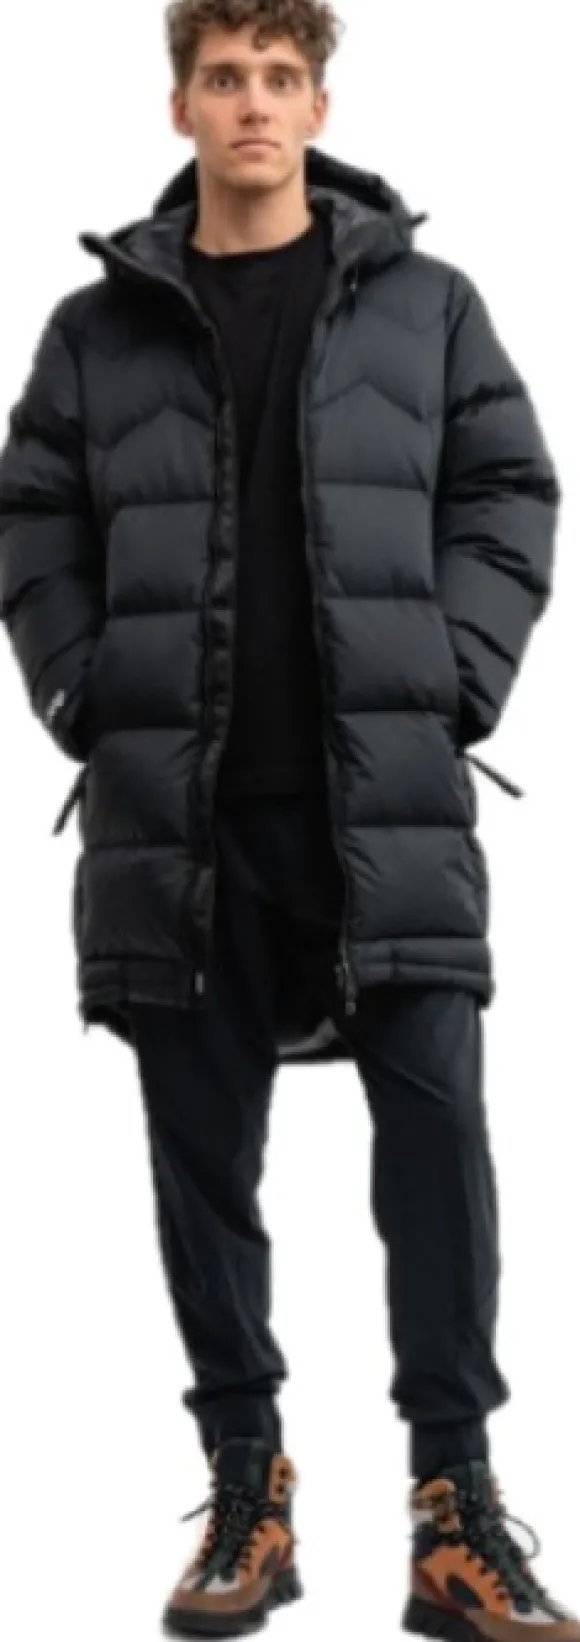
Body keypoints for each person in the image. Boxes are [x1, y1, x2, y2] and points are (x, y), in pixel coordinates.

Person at [0, 2, 571, 1638]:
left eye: (278, 77)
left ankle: (455, 1505)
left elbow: (509, 488)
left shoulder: (427, 304)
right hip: (179, 816)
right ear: (180, 104)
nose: (252, 103)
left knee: (440, 1148)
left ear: (320, 103)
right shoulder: (94, 332)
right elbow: (32, 518)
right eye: (224, 76)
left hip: (383, 799)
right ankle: (248, 1485)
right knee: (202, 1159)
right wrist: (83, 690)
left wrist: (456, 673)